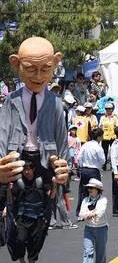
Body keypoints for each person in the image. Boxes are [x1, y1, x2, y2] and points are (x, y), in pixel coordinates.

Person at [0, 37, 69, 260]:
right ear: (16, 63)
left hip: (45, 160)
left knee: (42, 214)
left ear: (55, 63)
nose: (38, 76)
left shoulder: (56, 103)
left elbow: (62, 139)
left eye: (45, 69)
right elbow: (2, 133)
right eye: (30, 69)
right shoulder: (10, 101)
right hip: (17, 159)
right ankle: (18, 253)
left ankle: (33, 254)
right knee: (15, 212)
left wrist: (64, 170)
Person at [6, 159, 58, 263]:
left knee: (35, 243)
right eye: (24, 170)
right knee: (20, 239)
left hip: (38, 219)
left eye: (28, 169)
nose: (26, 172)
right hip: (23, 219)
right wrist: (9, 190)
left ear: (33, 169)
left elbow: (51, 196)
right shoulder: (19, 182)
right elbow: (11, 200)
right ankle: (21, 259)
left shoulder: (40, 181)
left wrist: (54, 185)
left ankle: (31, 260)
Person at [76, 128, 105, 216]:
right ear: (99, 137)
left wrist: (81, 167)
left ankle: (81, 212)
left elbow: (79, 158)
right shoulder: (98, 147)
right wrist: (98, 166)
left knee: (83, 191)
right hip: (94, 171)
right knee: (95, 192)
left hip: (84, 170)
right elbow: (103, 160)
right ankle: (93, 211)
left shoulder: (85, 145)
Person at [79, 178, 108, 263]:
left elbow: (100, 211)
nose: (89, 189)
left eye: (91, 188)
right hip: (88, 228)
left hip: (101, 228)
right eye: (88, 188)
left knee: (101, 253)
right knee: (88, 251)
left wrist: (90, 214)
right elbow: (81, 214)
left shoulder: (103, 199)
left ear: (97, 190)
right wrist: (91, 213)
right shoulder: (85, 200)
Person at [98, 103, 118, 171]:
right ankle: (104, 165)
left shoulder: (115, 118)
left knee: (113, 152)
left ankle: (113, 165)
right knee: (104, 152)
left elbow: (117, 126)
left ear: (112, 110)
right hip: (105, 137)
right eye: (107, 109)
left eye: (110, 109)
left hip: (113, 137)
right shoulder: (102, 117)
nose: (108, 110)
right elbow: (100, 126)